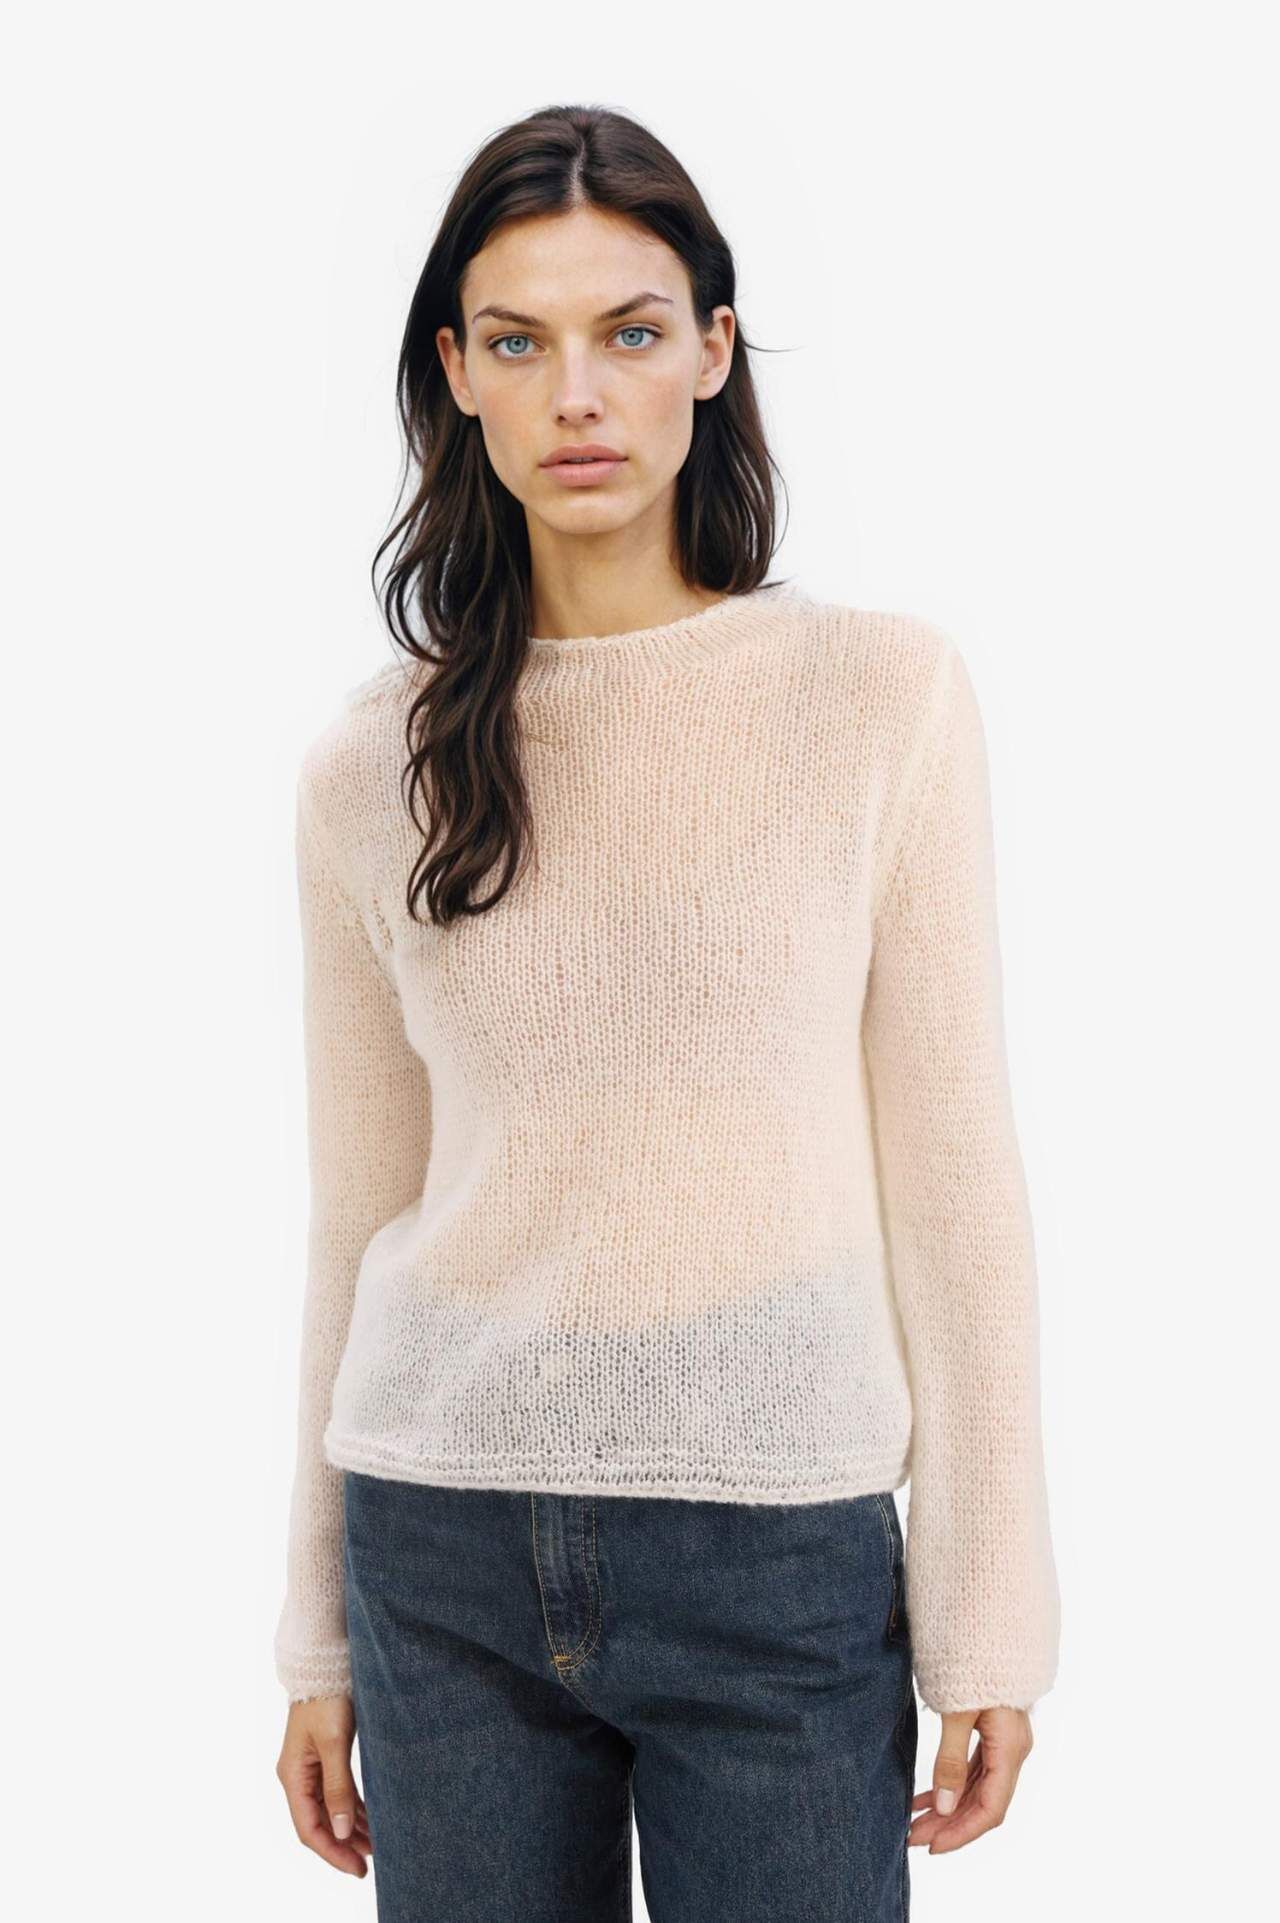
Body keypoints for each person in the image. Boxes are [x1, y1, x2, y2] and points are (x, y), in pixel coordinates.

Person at [273, 103, 1060, 1922]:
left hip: (778, 1550)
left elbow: (956, 1177)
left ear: (713, 351)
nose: (579, 396)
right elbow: (355, 1213)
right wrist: (311, 1631)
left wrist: (989, 1613)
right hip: (439, 1550)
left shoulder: (877, 700)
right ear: (455, 376)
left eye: (628, 332)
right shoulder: (370, 766)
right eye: (518, 342)